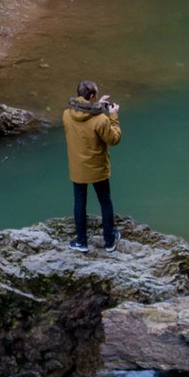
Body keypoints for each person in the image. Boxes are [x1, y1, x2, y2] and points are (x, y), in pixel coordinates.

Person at [63, 80, 121, 252]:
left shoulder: (66, 114)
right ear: (92, 96)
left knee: (79, 202)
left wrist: (96, 106)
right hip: (97, 168)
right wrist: (114, 116)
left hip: (78, 167)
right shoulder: (101, 120)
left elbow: (83, 116)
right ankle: (109, 241)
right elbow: (114, 139)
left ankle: (81, 241)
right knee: (105, 201)